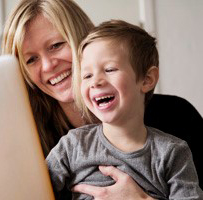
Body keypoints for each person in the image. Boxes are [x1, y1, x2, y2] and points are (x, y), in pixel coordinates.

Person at [1, 0, 160, 199]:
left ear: (85, 39)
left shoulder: (176, 119)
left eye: (56, 46)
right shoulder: (32, 146)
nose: (48, 66)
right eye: (31, 59)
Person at [46, 20, 203, 200]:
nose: (95, 81)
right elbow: (33, 190)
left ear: (147, 79)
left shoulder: (173, 153)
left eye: (109, 69)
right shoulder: (73, 145)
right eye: (87, 75)